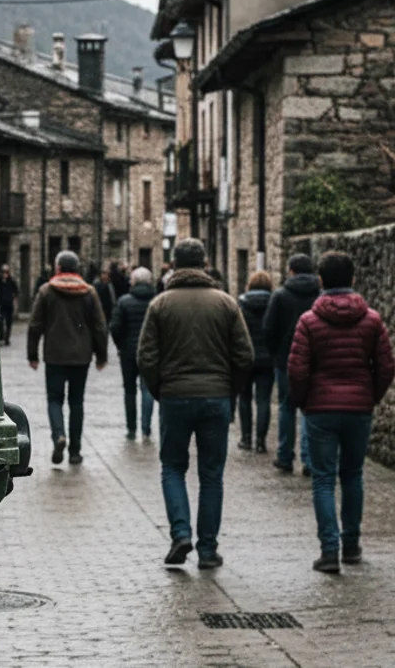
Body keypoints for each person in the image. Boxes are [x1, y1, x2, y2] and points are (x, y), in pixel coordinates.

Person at [139, 238, 253, 569]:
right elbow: (245, 355)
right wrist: (230, 391)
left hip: (175, 396)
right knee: (212, 474)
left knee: (173, 466)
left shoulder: (160, 305)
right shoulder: (226, 304)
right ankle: (207, 550)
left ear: (173, 264)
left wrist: (160, 388)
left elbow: (146, 356)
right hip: (216, 396)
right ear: (205, 264)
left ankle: (180, 534)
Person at [287, 251, 395, 574]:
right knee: (352, 475)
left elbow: (297, 370)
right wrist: (369, 396)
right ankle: (351, 546)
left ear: (321, 281)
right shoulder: (372, 320)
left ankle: (329, 551)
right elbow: (387, 367)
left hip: (320, 410)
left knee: (323, 479)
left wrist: (304, 401)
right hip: (358, 408)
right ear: (352, 279)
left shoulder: (309, 321)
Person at [28, 251, 109, 466]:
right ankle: (75, 451)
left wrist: (32, 354)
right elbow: (100, 327)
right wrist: (102, 355)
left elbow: (35, 325)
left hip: (54, 355)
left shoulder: (46, 291)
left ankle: (58, 436)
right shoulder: (89, 292)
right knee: (76, 402)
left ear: (58, 268)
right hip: (81, 357)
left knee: (55, 399)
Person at [264, 254, 321, 476]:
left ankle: (286, 456)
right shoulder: (319, 295)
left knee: (287, 406)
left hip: (285, 360)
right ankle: (309, 459)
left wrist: (276, 352)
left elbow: (269, 329)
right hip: (313, 360)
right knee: (309, 408)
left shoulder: (280, 295)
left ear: (291, 271)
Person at [111, 267, 156, 442]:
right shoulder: (156, 300)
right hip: (150, 352)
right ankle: (146, 428)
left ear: (134, 282)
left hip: (129, 352)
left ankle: (131, 428)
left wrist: (120, 344)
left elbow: (115, 327)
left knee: (129, 391)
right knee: (148, 389)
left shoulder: (124, 302)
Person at [237, 271, 275, 452]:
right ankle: (261, 441)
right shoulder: (274, 303)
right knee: (263, 400)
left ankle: (246, 438)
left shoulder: (241, 305)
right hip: (267, 359)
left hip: (246, 358)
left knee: (244, 398)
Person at [0, 264, 20, 346]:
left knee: (9, 323)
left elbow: (16, 291)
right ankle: (1, 338)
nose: (5, 274)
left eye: (6, 272)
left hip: (9, 305)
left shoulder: (11, 281)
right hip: (0, 305)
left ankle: (7, 339)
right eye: (4, 272)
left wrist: (14, 300)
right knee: (0, 322)